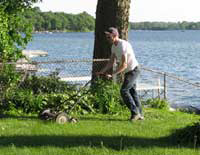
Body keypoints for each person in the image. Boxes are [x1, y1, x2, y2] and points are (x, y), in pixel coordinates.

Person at [96, 27, 144, 121]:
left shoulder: (123, 45)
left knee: (124, 91)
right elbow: (111, 62)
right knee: (132, 92)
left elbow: (124, 65)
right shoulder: (113, 46)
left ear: (115, 36)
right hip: (128, 71)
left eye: (109, 37)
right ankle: (140, 115)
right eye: (107, 37)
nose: (107, 39)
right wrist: (102, 71)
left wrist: (113, 74)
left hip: (134, 70)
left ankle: (135, 113)